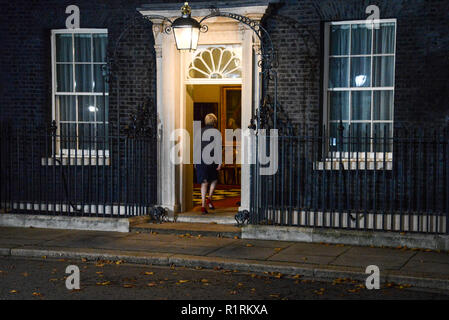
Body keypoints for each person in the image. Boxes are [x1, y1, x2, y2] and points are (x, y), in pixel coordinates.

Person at [195, 113, 222, 214]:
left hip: (201, 159)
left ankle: (203, 205)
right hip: (212, 159)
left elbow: (196, 147)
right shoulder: (216, 132)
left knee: (204, 182)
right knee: (214, 180)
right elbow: (218, 148)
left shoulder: (199, 132)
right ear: (214, 121)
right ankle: (209, 198)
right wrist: (220, 162)